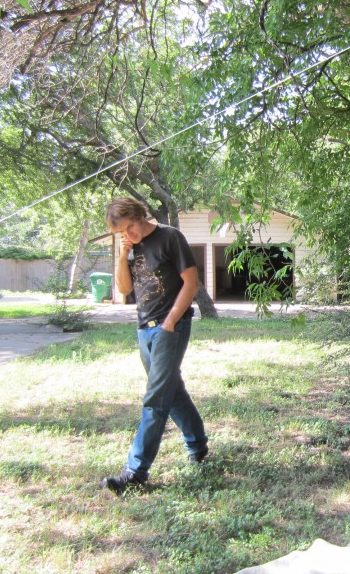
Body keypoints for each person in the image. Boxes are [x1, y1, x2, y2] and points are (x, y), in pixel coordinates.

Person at [101, 197, 209, 493]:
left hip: (169, 326)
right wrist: (122, 255)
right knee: (171, 390)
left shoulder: (170, 237)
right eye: (122, 232)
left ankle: (135, 473)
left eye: (131, 228)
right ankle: (198, 446)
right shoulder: (130, 246)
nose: (129, 235)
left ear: (140, 215)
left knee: (155, 398)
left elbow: (191, 282)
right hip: (143, 328)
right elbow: (124, 289)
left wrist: (171, 321)